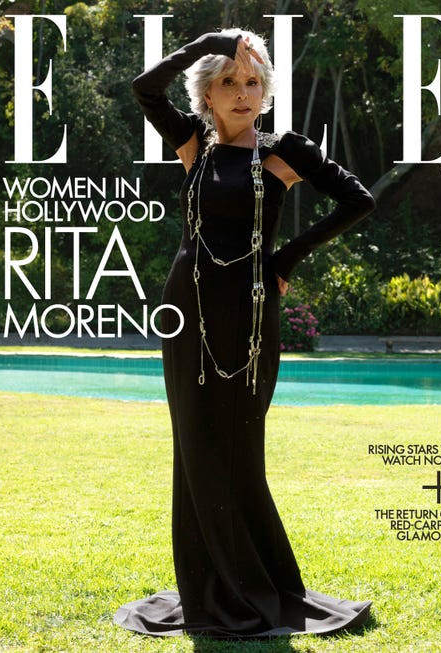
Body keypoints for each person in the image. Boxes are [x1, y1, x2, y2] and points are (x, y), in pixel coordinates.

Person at [114, 28, 375, 639]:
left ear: (266, 92)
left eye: (253, 81)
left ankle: (256, 582)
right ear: (206, 93)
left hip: (250, 311)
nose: (242, 93)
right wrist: (212, 41)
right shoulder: (192, 145)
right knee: (195, 445)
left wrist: (286, 259)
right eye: (229, 81)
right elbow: (144, 87)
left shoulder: (284, 151)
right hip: (186, 308)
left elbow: (358, 200)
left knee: (236, 446)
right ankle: (205, 585)